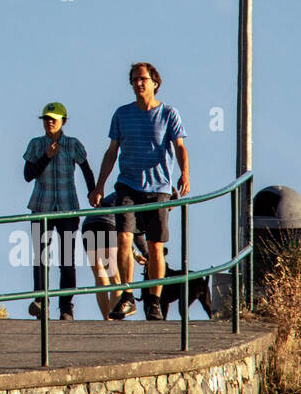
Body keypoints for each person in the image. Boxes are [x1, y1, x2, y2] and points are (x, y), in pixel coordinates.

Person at [89, 63, 189, 321]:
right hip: (127, 186)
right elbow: (112, 152)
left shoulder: (168, 113)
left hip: (159, 189)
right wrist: (99, 186)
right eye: (134, 80)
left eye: (143, 79)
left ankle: (154, 300)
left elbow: (179, 147)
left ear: (155, 82)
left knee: (155, 247)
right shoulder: (122, 114)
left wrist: (184, 174)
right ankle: (127, 295)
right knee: (123, 238)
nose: (138, 83)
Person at [23, 102, 96, 320]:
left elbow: (86, 170)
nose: (49, 122)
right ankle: (40, 302)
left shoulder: (73, 144)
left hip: (67, 207)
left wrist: (93, 192)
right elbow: (27, 175)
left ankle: (66, 307)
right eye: (46, 118)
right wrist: (45, 156)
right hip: (41, 206)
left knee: (67, 260)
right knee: (41, 258)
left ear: (63, 120)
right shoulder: (36, 144)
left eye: (54, 118)